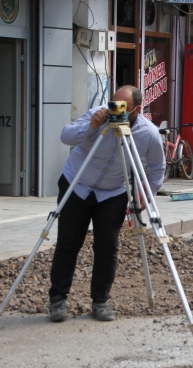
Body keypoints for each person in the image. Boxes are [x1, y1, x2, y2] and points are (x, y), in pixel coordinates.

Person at [48, 85, 166, 322]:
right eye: (113, 104)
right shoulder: (98, 114)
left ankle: (101, 300)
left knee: (107, 247)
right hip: (77, 185)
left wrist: (145, 195)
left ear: (136, 110)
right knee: (68, 244)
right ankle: (58, 299)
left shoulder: (148, 133)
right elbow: (65, 136)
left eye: (123, 108)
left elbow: (157, 168)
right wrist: (91, 126)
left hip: (113, 193)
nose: (115, 111)